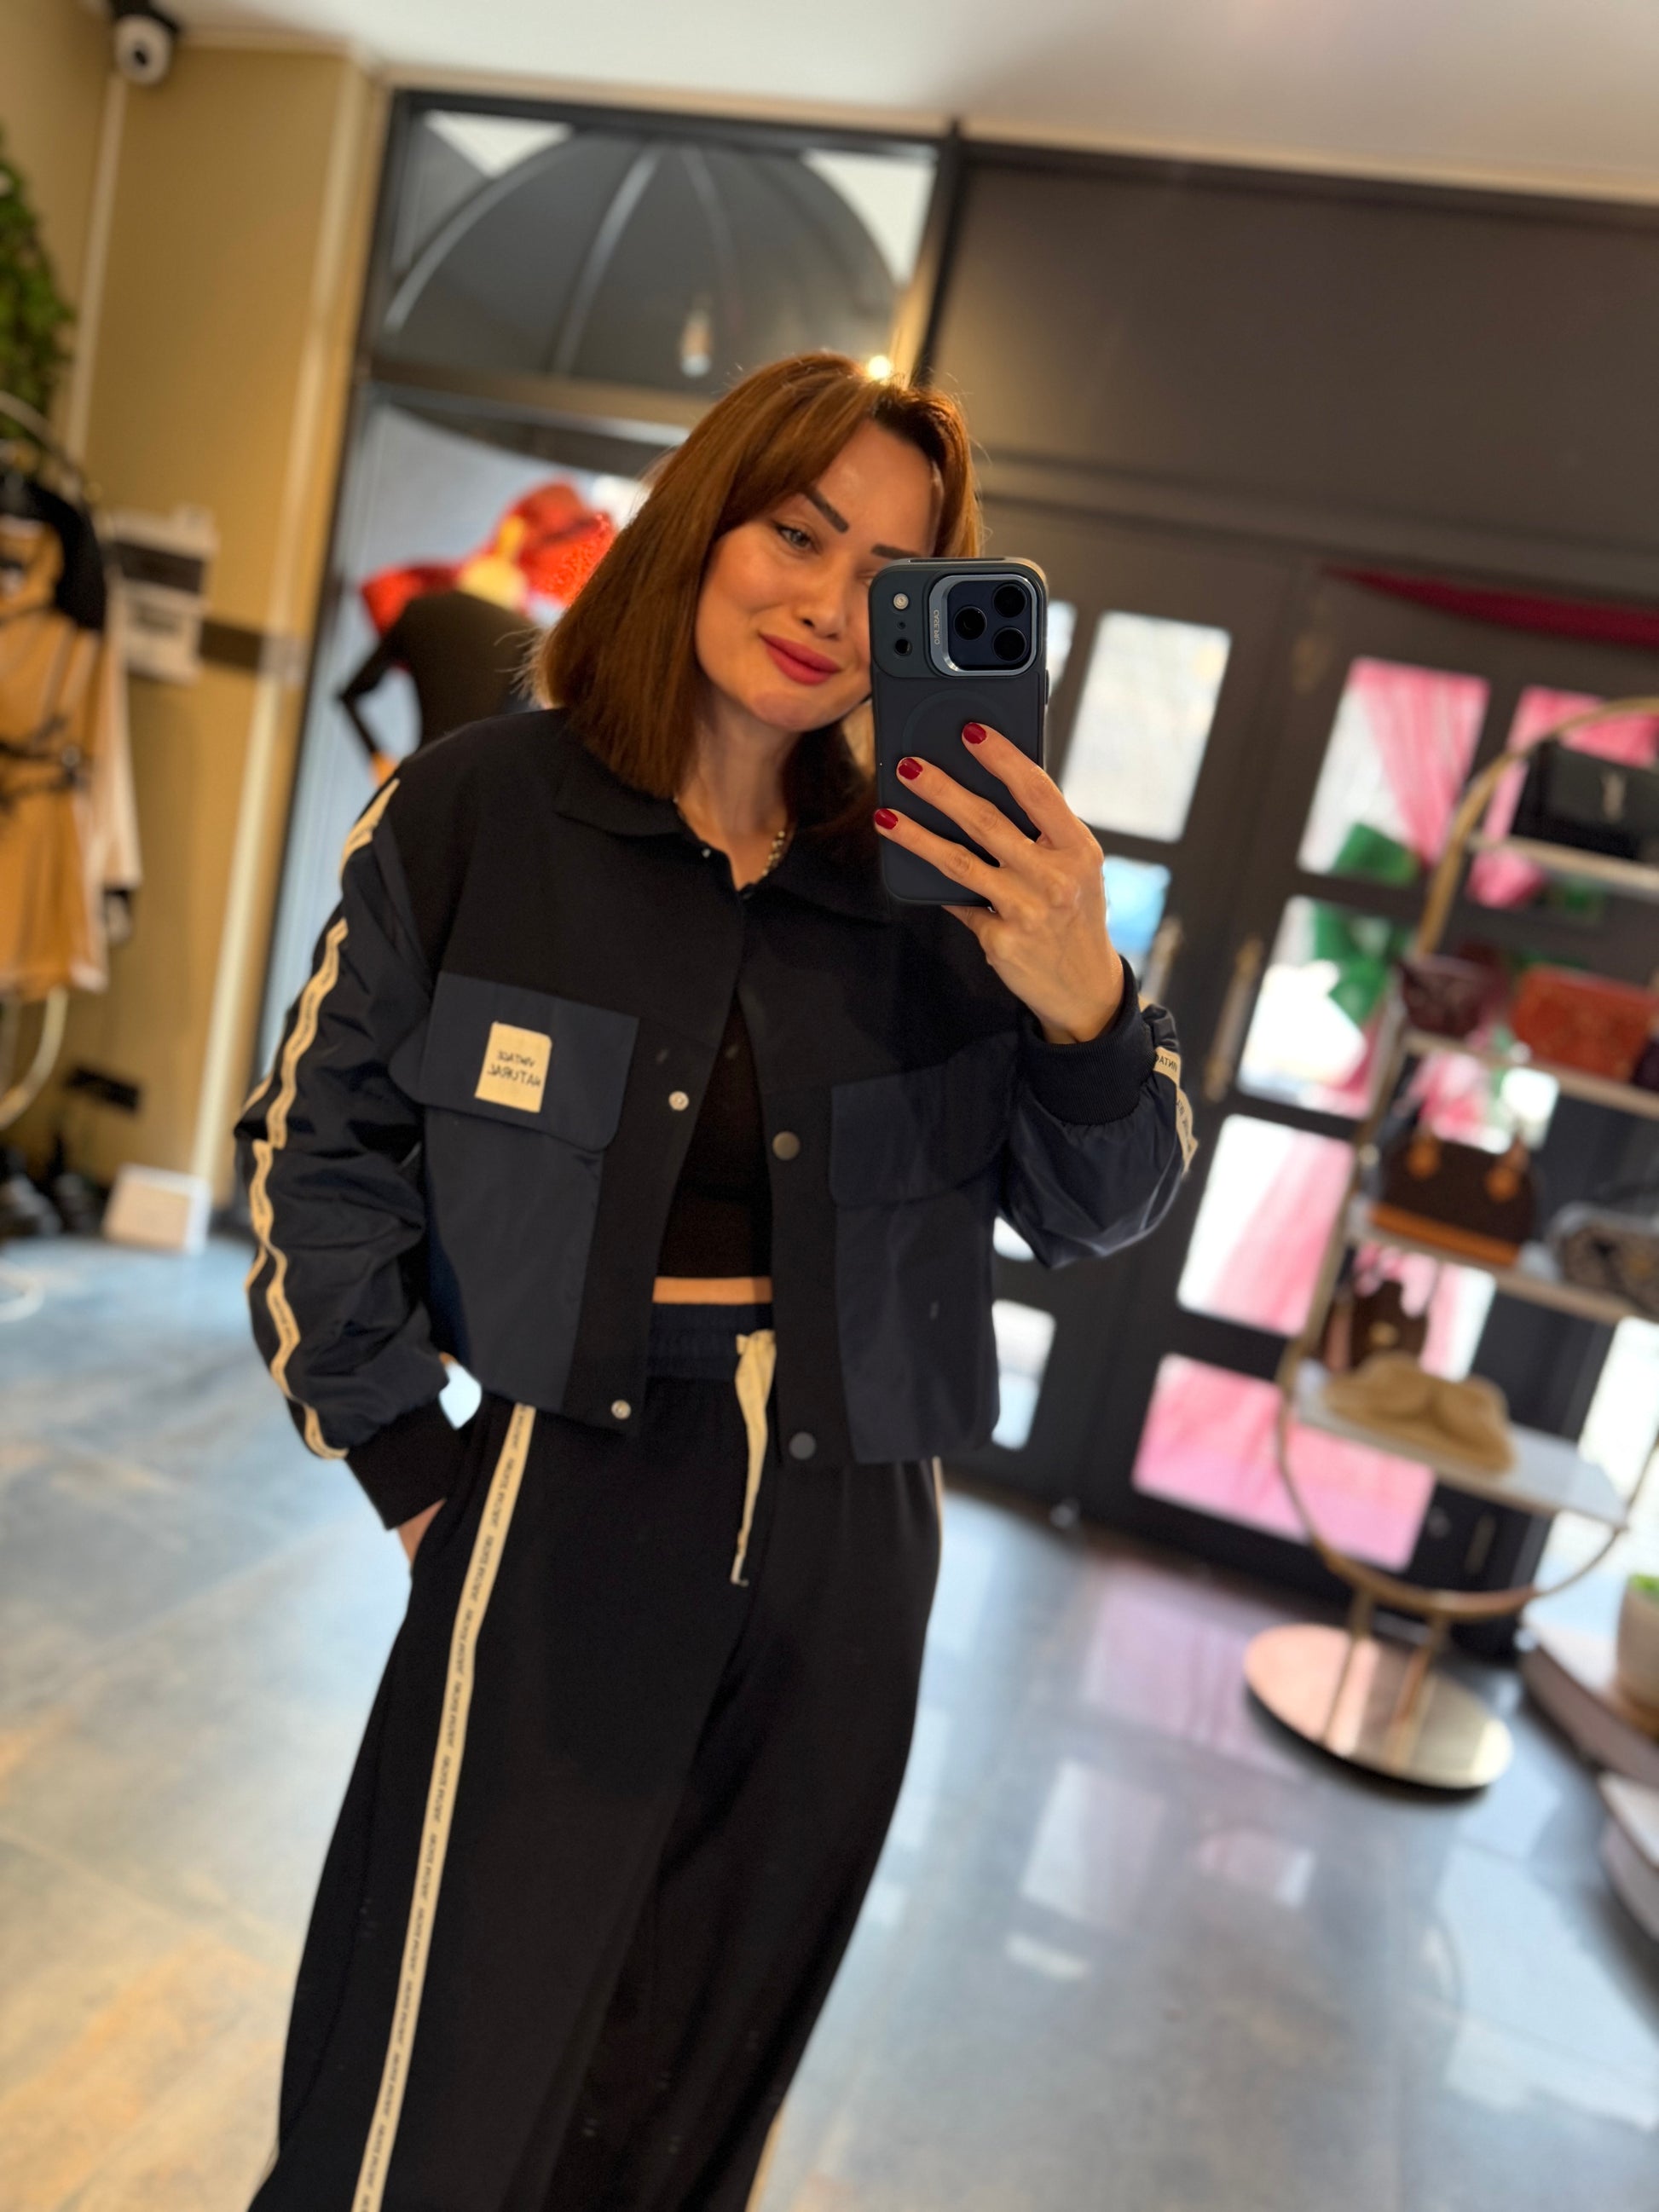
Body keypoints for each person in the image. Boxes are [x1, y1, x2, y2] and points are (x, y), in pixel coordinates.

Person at [237, 351, 1189, 2212]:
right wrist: (415, 1470)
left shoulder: (948, 884)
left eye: (887, 576)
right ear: (701, 521)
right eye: (796, 533)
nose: (828, 605)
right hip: (571, 1488)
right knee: (436, 2066)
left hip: (857, 1531)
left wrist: (1082, 991)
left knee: (696, 2076)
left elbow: (1095, 1210)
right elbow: (312, 1152)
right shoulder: (478, 814)